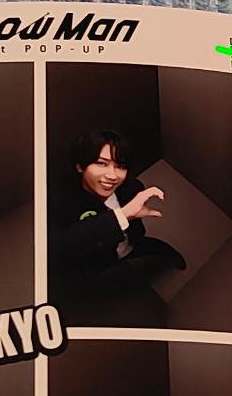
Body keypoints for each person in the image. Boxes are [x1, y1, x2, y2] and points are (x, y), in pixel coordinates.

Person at [49, 130, 186, 305]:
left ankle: (171, 255)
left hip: (132, 242)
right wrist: (123, 215)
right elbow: (58, 247)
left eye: (120, 166)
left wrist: (134, 224)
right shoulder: (62, 201)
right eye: (101, 163)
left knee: (155, 247)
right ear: (80, 166)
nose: (112, 175)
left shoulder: (132, 187)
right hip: (98, 260)